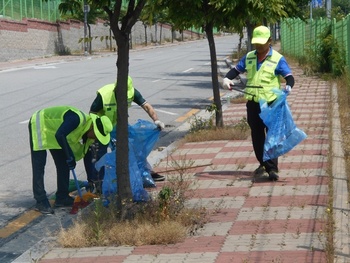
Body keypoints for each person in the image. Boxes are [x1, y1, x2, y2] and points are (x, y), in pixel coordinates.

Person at [222, 25, 295, 181]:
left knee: (272, 137)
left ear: (269, 41)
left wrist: (289, 85)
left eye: (262, 43)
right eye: (256, 43)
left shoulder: (277, 58)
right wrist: (227, 79)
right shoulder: (249, 57)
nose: (259, 46)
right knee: (257, 137)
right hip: (253, 103)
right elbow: (236, 70)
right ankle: (265, 164)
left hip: (271, 104)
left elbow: (289, 76)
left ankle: (271, 168)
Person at [84, 76, 165, 191]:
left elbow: (146, 105)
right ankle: (98, 183)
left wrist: (156, 120)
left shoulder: (132, 92)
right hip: (103, 127)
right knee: (99, 154)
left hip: (120, 125)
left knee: (132, 148)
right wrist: (94, 131)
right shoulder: (104, 94)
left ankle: (144, 173)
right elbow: (92, 113)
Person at [28, 106, 113, 214]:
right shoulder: (77, 119)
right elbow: (60, 134)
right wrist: (69, 156)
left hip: (55, 132)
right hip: (40, 124)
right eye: (96, 135)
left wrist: (70, 157)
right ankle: (40, 200)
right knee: (39, 164)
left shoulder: (86, 132)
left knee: (63, 164)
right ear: (93, 127)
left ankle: (62, 197)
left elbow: (81, 152)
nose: (95, 139)